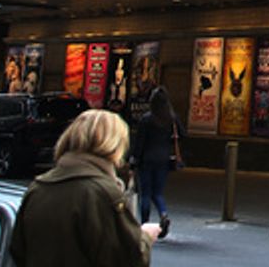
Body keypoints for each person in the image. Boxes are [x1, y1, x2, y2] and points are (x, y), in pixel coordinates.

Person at [10, 109, 160, 266]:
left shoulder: (39, 187)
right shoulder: (102, 193)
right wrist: (145, 237)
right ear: (113, 144)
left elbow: (18, 249)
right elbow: (125, 258)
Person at [130, 86, 184, 239]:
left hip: (147, 159)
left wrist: (134, 160)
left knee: (145, 193)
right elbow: (182, 134)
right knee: (158, 192)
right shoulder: (172, 119)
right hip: (164, 159)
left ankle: (145, 224)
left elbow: (139, 143)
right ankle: (163, 213)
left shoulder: (147, 119)